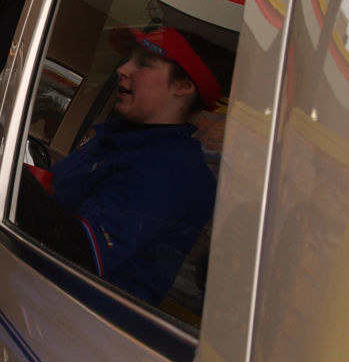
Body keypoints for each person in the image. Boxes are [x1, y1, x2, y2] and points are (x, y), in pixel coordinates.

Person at [18, 26, 221, 305]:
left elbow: (80, 251)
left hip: (80, 320)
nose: (123, 69)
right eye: (127, 59)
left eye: (144, 63)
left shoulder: (171, 171)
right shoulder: (118, 140)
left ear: (183, 86)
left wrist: (4, 173)